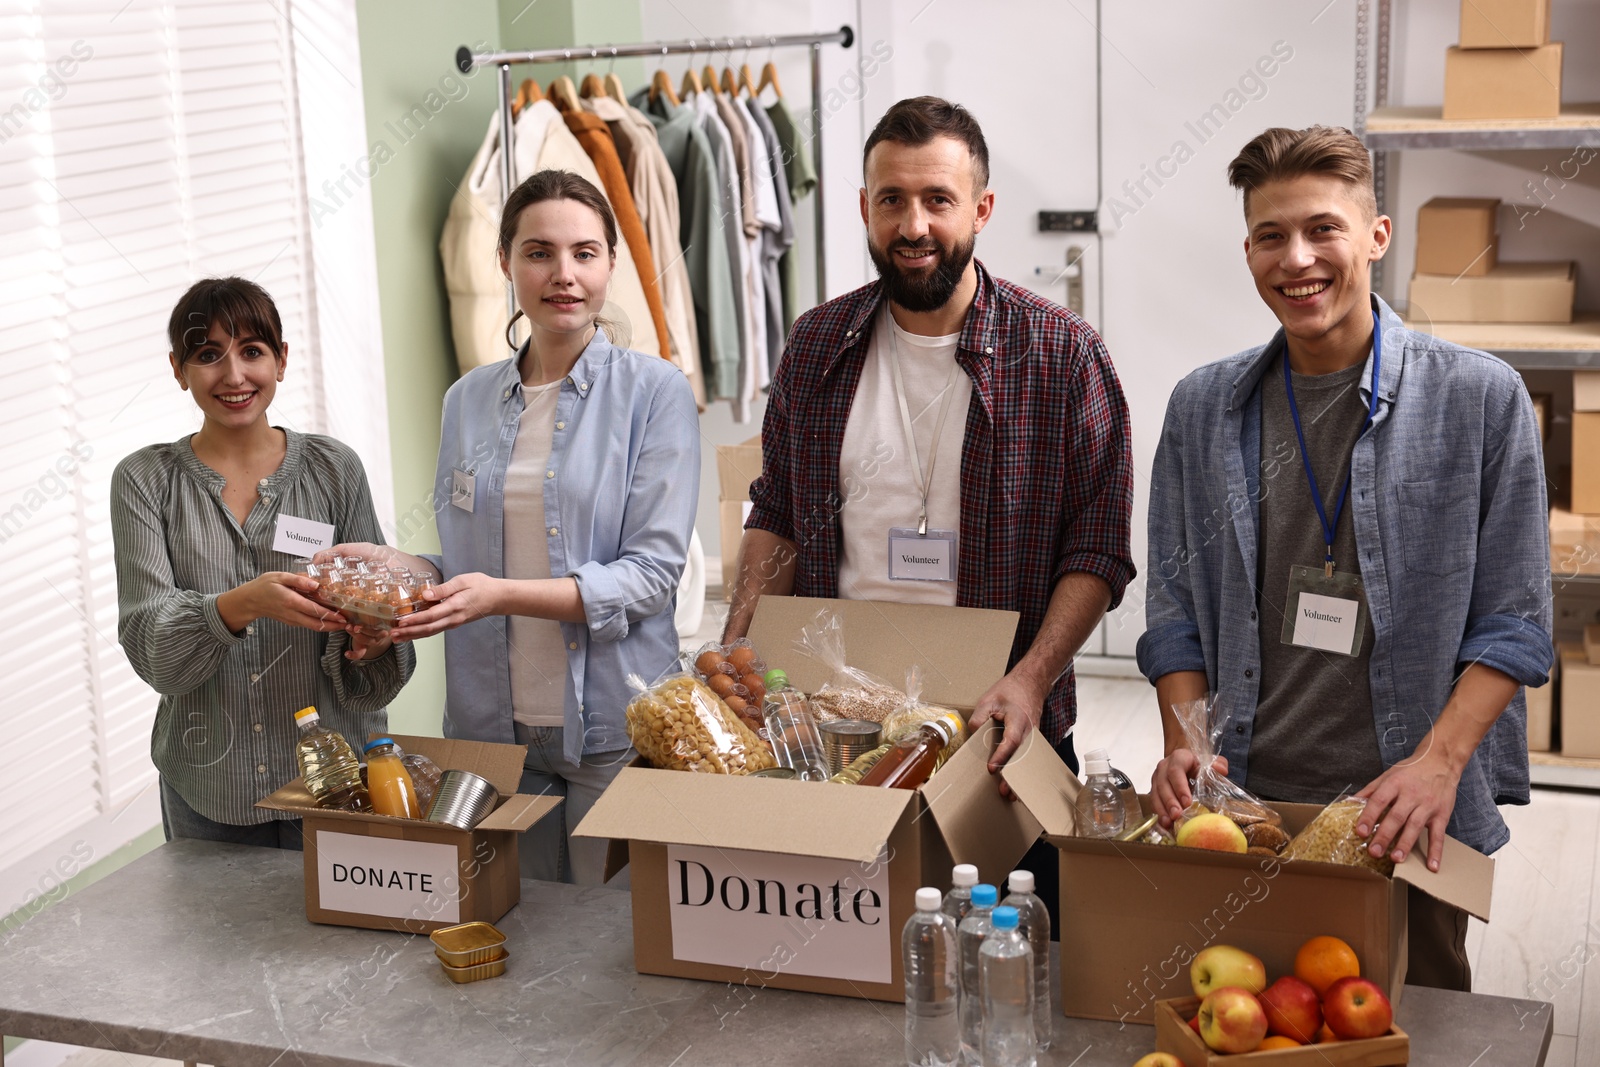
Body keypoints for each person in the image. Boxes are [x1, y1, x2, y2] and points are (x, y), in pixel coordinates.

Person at [1139, 125, 1553, 991]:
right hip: (1247, 804)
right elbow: (1174, 614)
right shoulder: (1203, 408)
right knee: (1255, 1015)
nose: (1298, 259)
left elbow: (1515, 624)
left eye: (1323, 228)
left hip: (1407, 810)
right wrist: (1187, 742)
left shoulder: (1481, 400)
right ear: (1248, 248)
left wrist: (1439, 764)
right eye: (1270, 235)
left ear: (1376, 235)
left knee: (1413, 1022)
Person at [724, 96, 1134, 913]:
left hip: (999, 728)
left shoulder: (1062, 354)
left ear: (980, 209)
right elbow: (775, 507)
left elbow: (1098, 550)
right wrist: (737, 633)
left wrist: (1031, 677)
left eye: (938, 200)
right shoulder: (815, 344)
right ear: (865, 209)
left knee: (1017, 947)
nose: (913, 225)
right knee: (851, 945)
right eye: (892, 200)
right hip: (837, 724)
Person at [332, 170, 699, 886]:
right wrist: (407, 569)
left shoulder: (655, 393)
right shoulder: (467, 400)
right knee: (513, 927)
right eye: (539, 252)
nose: (564, 274)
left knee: (610, 940)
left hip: (615, 724)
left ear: (610, 265)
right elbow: (474, 562)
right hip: (491, 728)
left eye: (585, 253)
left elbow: (652, 576)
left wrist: (496, 594)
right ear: (504, 262)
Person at [112, 277, 415, 849]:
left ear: (280, 360)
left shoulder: (334, 470)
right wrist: (244, 602)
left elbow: (382, 630)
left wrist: (374, 637)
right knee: (218, 939)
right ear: (178, 369)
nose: (233, 376)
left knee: (339, 938)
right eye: (208, 356)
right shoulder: (144, 481)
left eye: (252, 351)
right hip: (210, 788)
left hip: (339, 784)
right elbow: (153, 646)